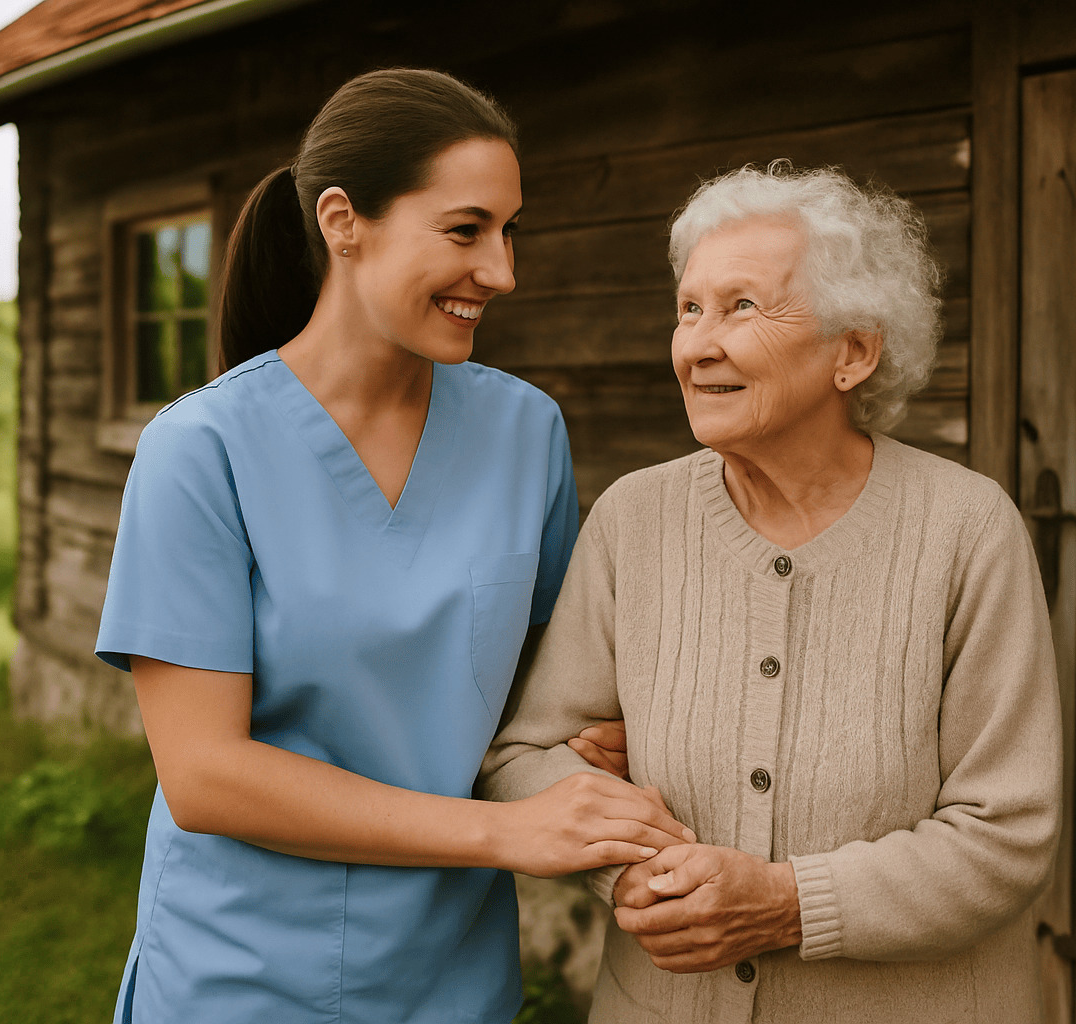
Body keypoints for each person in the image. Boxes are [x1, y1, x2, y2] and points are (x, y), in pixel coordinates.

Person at [95, 68, 690, 1024]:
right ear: (342, 221)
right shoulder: (199, 451)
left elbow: (545, 693)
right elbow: (205, 774)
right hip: (242, 976)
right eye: (464, 231)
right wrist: (506, 831)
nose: (500, 271)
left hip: (453, 976)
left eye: (509, 231)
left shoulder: (526, 433)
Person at [481, 161, 1063, 1023]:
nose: (696, 344)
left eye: (741, 306)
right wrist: (632, 866)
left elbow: (1005, 834)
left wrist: (787, 902)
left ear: (854, 351)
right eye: (689, 308)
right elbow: (523, 762)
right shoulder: (634, 520)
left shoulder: (967, 531)